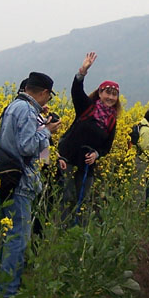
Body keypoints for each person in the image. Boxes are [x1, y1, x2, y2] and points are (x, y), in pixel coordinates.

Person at [0, 71, 61, 298]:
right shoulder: (25, 110)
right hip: (20, 183)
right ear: (44, 93)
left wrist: (44, 134)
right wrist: (48, 132)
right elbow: (26, 146)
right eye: (49, 96)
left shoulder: (15, 106)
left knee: (10, 237)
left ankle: (3, 288)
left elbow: (37, 153)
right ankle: (6, 295)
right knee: (17, 240)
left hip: (11, 180)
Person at [56, 52, 120, 221]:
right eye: (108, 93)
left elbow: (106, 147)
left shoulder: (112, 121)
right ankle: (58, 232)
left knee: (82, 200)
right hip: (67, 157)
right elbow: (76, 90)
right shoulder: (87, 107)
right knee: (64, 196)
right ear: (100, 93)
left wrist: (96, 154)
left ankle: (78, 234)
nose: (111, 97)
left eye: (114, 94)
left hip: (86, 165)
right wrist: (83, 71)